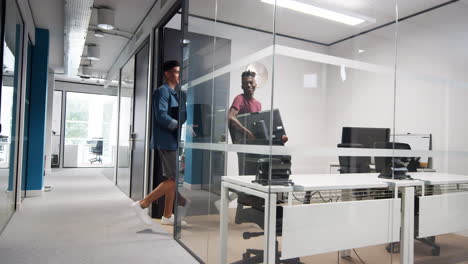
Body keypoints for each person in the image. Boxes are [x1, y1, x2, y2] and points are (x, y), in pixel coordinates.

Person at [131, 60, 190, 226]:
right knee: (173, 178)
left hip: (172, 140)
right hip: (165, 140)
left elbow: (180, 117)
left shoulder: (176, 94)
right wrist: (178, 124)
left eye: (180, 72)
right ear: (167, 73)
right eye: (176, 72)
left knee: (171, 179)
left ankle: (167, 216)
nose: (179, 75)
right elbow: (161, 116)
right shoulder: (162, 92)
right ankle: (143, 204)